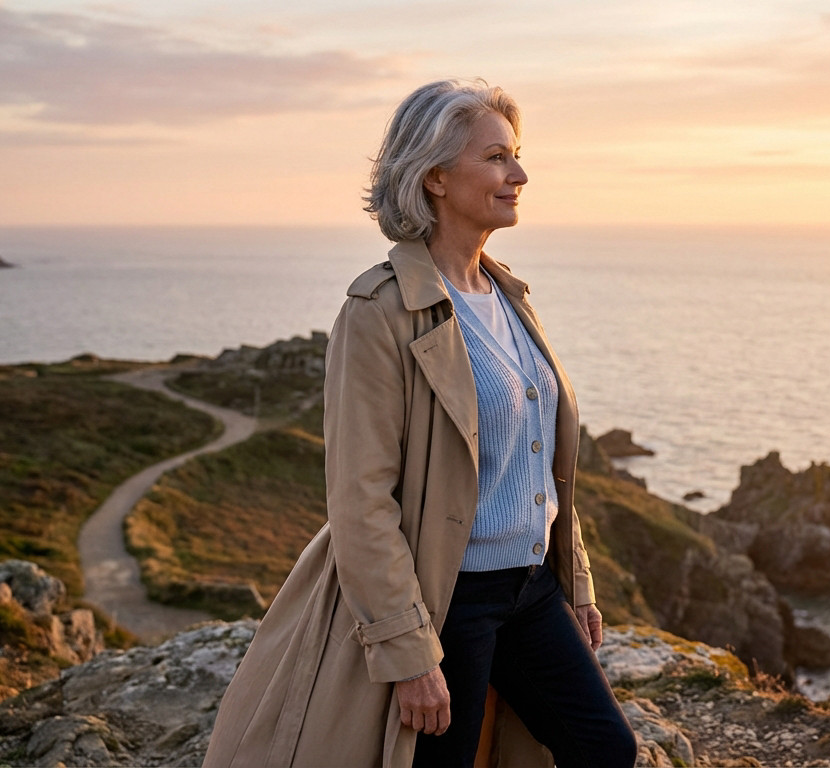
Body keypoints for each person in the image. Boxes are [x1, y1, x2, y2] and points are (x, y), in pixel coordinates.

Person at [203, 80, 638, 768]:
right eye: (496, 158)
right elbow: (361, 500)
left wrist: (575, 585)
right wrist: (407, 652)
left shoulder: (510, 295)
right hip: (447, 601)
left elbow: (542, 460)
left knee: (606, 749)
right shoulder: (379, 311)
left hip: (530, 590)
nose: (519, 175)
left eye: (516, 156)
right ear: (435, 176)